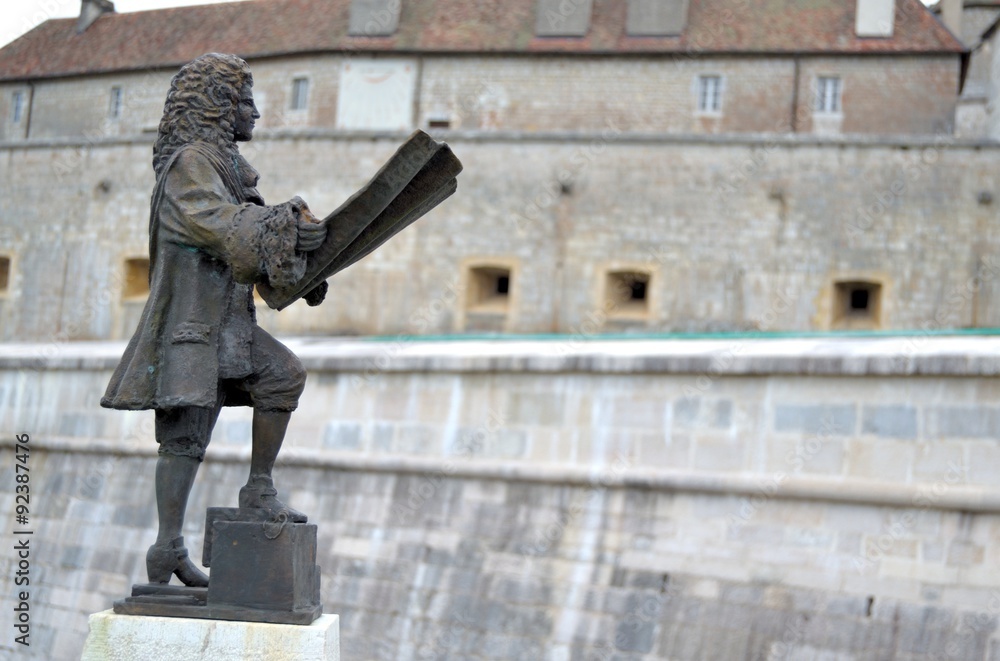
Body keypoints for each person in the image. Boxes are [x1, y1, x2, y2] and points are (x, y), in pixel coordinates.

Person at [101, 53, 328, 587]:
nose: (256, 113)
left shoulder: (224, 166)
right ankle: (167, 551)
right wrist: (283, 224)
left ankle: (257, 492)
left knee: (282, 375)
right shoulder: (190, 164)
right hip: (193, 322)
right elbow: (221, 226)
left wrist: (306, 259)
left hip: (227, 322)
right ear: (220, 106)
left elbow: (251, 244)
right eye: (247, 101)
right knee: (185, 435)